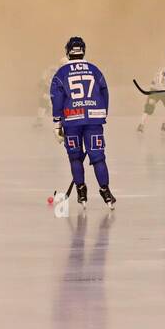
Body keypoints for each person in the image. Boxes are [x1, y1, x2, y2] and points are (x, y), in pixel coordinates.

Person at [50, 36, 115, 210]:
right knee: (98, 157)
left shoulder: (60, 73)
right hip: (94, 118)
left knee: (75, 157)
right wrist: (102, 114)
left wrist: (57, 124)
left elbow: (57, 99)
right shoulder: (94, 69)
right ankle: (105, 191)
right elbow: (104, 92)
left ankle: (81, 190)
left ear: (67, 52)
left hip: (71, 120)